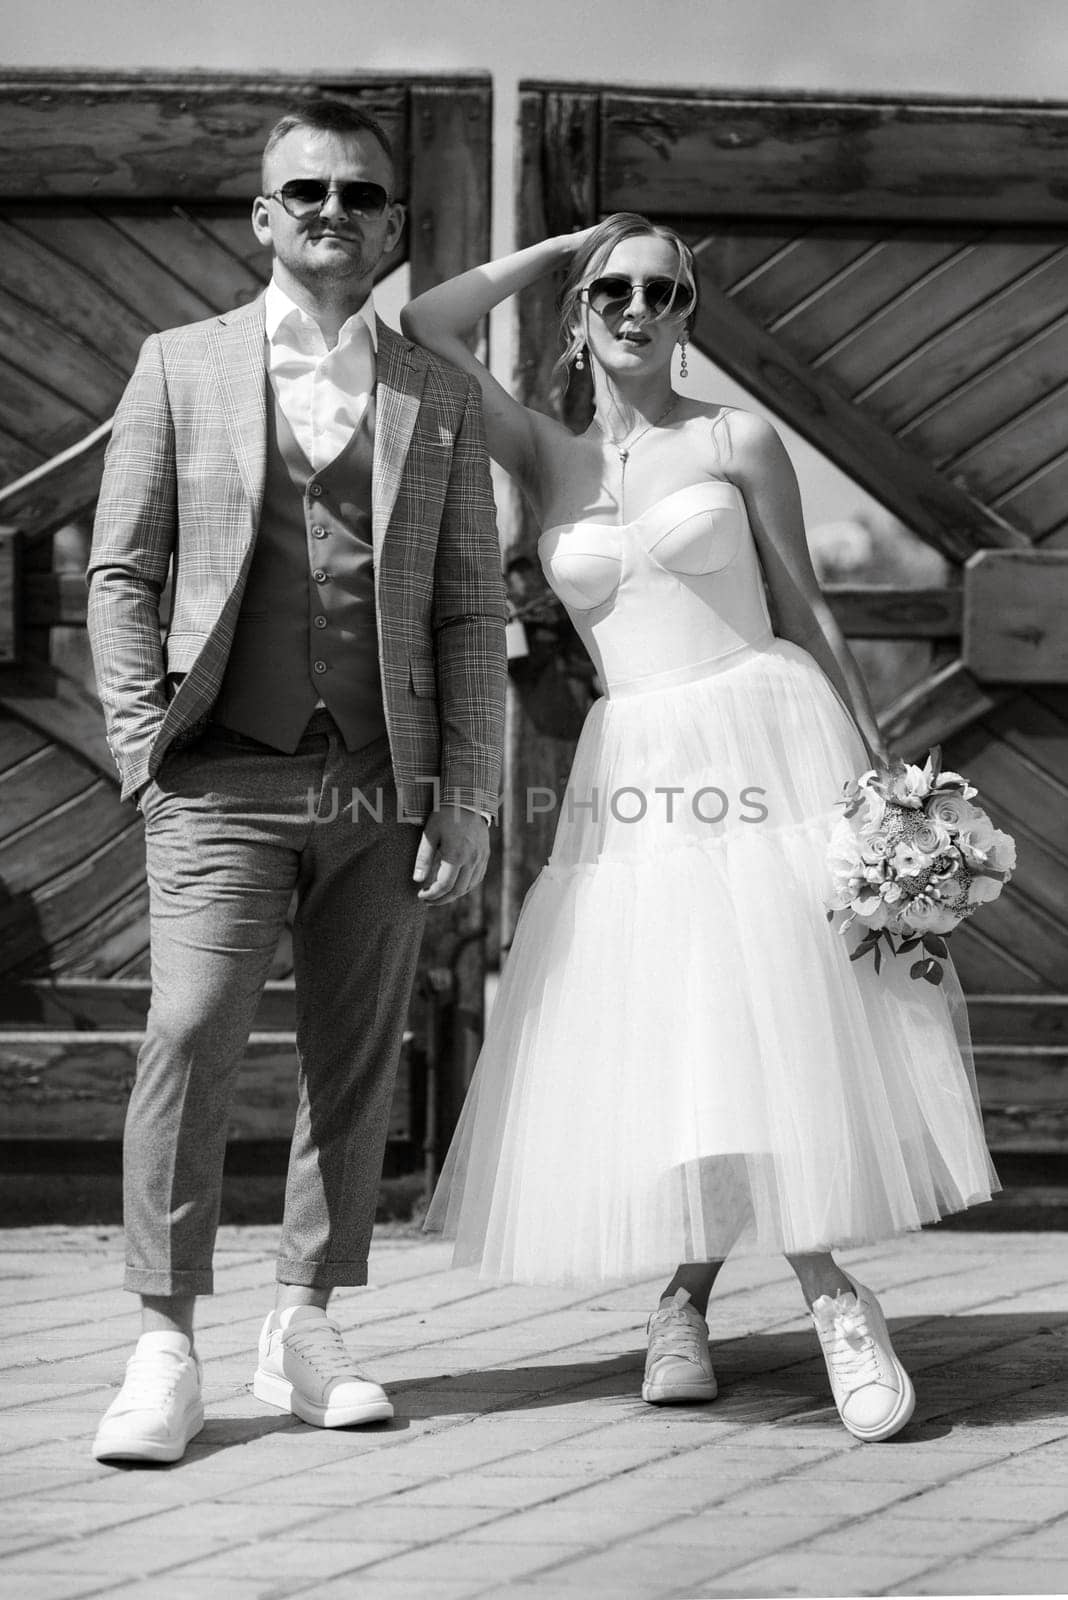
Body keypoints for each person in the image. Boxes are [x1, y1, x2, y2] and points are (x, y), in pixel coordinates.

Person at [404, 213, 997, 1443]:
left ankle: (834, 1299)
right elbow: (426, 324)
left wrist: (885, 786)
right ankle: (683, 1300)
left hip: (765, 742)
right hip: (638, 768)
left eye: (661, 290)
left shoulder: (736, 438)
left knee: (770, 1021)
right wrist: (568, 243)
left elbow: (808, 605)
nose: (635, 307)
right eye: (611, 289)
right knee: (687, 1037)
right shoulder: (544, 452)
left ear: (688, 314)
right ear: (580, 309)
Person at [86, 100, 507, 1464]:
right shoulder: (178, 364)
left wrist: (469, 794)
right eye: (306, 190)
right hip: (217, 775)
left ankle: (306, 1323)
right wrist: (141, 747)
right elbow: (121, 572)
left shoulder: (433, 394)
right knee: (192, 1030)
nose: (334, 209)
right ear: (264, 217)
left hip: (379, 782)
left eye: (361, 195)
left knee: (353, 1055)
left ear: (392, 228)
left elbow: (462, 614)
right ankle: (164, 1340)